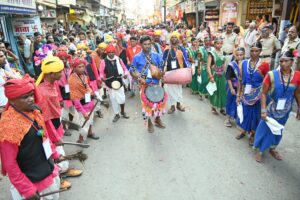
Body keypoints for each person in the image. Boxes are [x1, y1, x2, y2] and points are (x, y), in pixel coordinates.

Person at [0, 75, 62, 200]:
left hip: (47, 169)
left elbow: (44, 136)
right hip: (31, 179)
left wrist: (55, 154)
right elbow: (9, 163)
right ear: (12, 101)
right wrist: (26, 188)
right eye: (25, 97)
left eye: (31, 95)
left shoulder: (34, 111)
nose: (30, 99)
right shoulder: (8, 125)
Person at [36, 56, 82, 189]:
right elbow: (45, 121)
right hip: (48, 131)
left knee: (59, 154)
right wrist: (54, 137)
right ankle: (58, 178)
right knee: (53, 155)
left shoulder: (51, 83)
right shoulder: (43, 92)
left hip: (55, 126)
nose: (62, 74)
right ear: (51, 73)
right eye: (59, 71)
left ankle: (63, 172)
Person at [254, 50, 300, 162]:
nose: (282, 63)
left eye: (285, 61)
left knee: (278, 130)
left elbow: (297, 93)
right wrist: (263, 110)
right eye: (281, 61)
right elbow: (263, 93)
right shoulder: (271, 75)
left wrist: (299, 107)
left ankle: (272, 148)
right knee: (265, 129)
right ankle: (260, 150)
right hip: (272, 107)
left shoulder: (297, 76)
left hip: (285, 110)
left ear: (292, 61)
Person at [236, 42, 270, 146]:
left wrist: (262, 75)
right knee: (246, 113)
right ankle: (243, 130)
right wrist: (238, 94)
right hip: (246, 93)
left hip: (258, 95)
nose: (254, 53)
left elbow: (268, 81)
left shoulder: (265, 64)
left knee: (255, 115)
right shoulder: (244, 63)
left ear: (260, 51)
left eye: (256, 51)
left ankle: (253, 134)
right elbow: (241, 79)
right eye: (252, 50)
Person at [131, 36, 167, 133]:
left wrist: (161, 73)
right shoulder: (136, 57)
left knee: (159, 103)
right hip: (144, 84)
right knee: (146, 105)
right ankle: (149, 122)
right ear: (141, 45)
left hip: (155, 83)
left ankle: (157, 119)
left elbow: (162, 67)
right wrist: (139, 77)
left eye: (149, 44)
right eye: (145, 44)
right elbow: (132, 70)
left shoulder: (156, 55)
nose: (147, 46)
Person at [69, 57, 99, 144]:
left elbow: (88, 87)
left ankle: (90, 133)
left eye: (83, 66)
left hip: (90, 102)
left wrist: (94, 95)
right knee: (83, 123)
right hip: (83, 106)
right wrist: (83, 112)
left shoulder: (84, 75)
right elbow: (75, 99)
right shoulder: (72, 80)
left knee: (90, 121)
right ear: (74, 68)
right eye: (79, 67)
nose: (82, 68)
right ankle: (80, 139)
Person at [100, 45, 130, 122]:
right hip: (109, 83)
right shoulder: (103, 62)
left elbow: (125, 69)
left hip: (119, 82)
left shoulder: (119, 60)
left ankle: (123, 112)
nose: (111, 54)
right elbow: (101, 73)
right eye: (109, 52)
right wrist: (102, 78)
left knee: (122, 99)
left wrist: (126, 74)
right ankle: (116, 114)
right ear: (107, 53)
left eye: (113, 52)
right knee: (113, 100)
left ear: (115, 52)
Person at [163, 32, 190, 114]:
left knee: (179, 90)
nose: (174, 38)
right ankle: (172, 106)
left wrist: (188, 68)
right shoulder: (167, 50)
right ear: (170, 40)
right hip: (169, 73)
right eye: (172, 37)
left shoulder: (181, 49)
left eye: (175, 37)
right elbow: (163, 61)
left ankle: (178, 104)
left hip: (179, 73)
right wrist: (162, 71)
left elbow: (185, 60)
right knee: (170, 91)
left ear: (178, 40)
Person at [224, 47, 245, 127]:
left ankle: (237, 118)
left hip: (241, 87)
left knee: (238, 102)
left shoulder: (245, 64)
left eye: (241, 55)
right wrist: (232, 88)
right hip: (232, 86)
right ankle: (227, 118)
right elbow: (228, 77)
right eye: (237, 55)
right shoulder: (232, 65)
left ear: (244, 55)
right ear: (235, 55)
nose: (239, 56)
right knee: (230, 102)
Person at [207, 37, 227, 115]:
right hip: (214, 74)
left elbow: (224, 64)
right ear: (214, 44)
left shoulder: (223, 52)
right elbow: (208, 66)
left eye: (221, 43)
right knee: (215, 91)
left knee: (222, 91)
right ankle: (213, 107)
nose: (219, 45)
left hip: (222, 75)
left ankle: (221, 107)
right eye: (217, 43)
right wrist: (211, 76)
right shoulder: (211, 53)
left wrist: (226, 74)